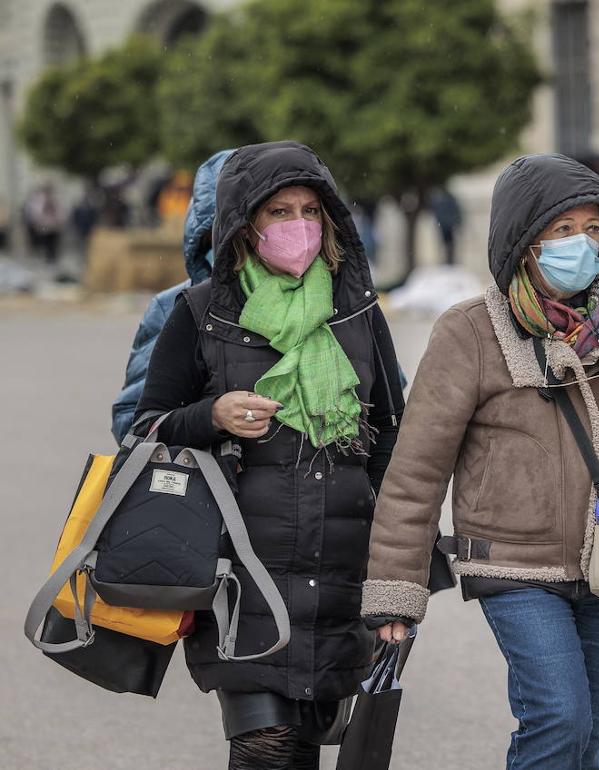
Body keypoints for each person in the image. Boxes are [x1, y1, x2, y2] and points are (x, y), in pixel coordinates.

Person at [363, 153, 599, 770]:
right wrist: (397, 591)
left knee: (589, 741)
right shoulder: (469, 331)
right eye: (562, 230)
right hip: (514, 568)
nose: (582, 244)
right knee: (559, 717)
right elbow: (417, 469)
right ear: (525, 241)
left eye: (593, 230)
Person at [134, 140, 451, 770]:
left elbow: (393, 442)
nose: (297, 225)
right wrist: (212, 414)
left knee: (306, 743)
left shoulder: (356, 312)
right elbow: (145, 429)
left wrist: (401, 575)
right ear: (245, 225)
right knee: (264, 747)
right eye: (279, 211)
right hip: (243, 570)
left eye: (310, 210)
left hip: (341, 570)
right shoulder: (200, 314)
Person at [112, 149, 234, 443]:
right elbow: (132, 421)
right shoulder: (176, 306)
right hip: (205, 484)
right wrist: (210, 416)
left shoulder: (333, 308)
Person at [23, 183, 62, 266]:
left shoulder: (54, 200)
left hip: (54, 226)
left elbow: (59, 212)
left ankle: (53, 259)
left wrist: (58, 221)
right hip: (44, 226)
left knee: (54, 244)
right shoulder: (40, 200)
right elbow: (36, 213)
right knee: (45, 244)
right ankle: (46, 259)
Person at [428, 187, 463, 265]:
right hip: (445, 225)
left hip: (446, 225)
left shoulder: (441, 200)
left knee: (448, 243)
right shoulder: (443, 200)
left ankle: (449, 260)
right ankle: (448, 260)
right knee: (447, 243)